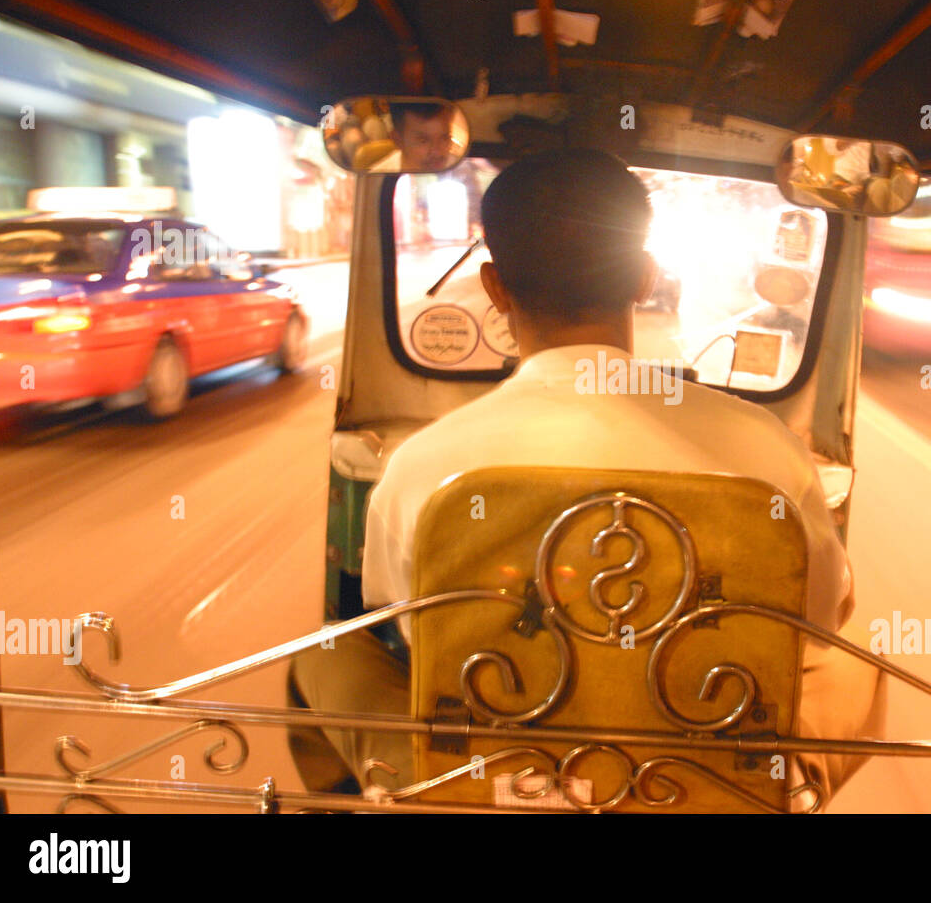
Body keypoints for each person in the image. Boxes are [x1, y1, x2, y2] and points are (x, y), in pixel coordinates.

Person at [290, 148, 885, 806]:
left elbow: (404, 624)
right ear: (642, 277)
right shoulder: (767, 449)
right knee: (854, 653)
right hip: (702, 789)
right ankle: (780, 793)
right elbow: (818, 620)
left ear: (493, 287)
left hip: (493, 790)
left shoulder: (423, 465)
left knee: (328, 655)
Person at [370, 102, 458, 172]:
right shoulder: (376, 178)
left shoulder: (463, 171)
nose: (437, 152)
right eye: (423, 141)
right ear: (398, 140)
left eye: (444, 138)